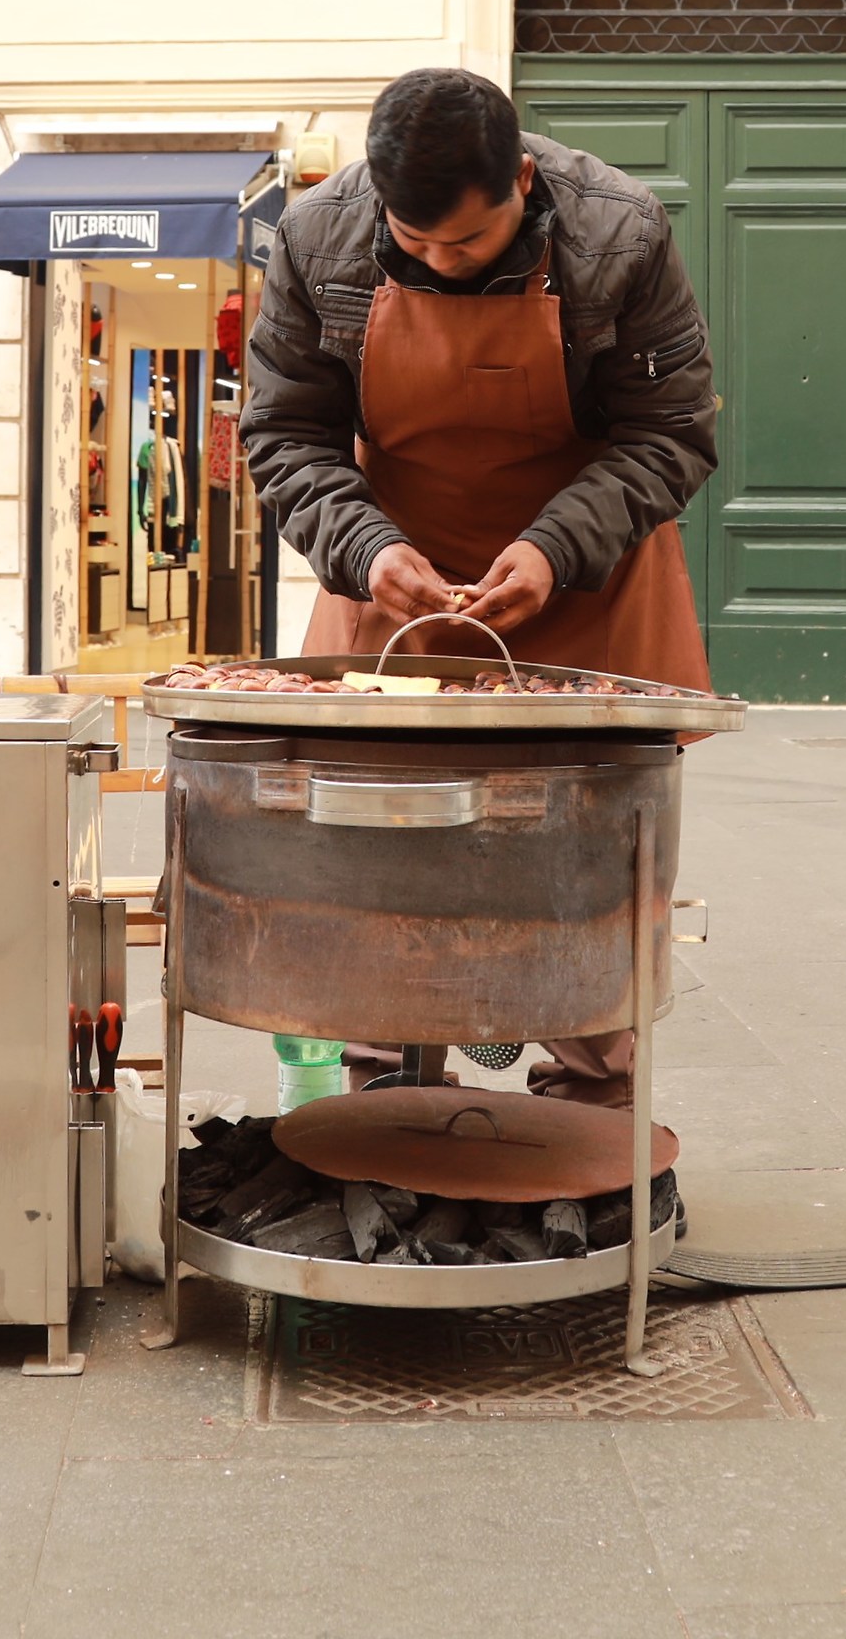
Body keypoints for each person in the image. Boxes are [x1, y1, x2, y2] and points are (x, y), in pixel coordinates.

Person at [240, 67, 717, 1108]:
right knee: (375, 849)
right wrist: (366, 550)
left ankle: (591, 1106)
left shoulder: (620, 232)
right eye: (414, 246)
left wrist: (551, 549)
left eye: (465, 242)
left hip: (584, 578)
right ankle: (378, 1096)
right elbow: (281, 434)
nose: (439, 262)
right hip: (393, 577)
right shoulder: (315, 236)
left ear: (524, 180)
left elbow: (669, 433)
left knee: (583, 861)